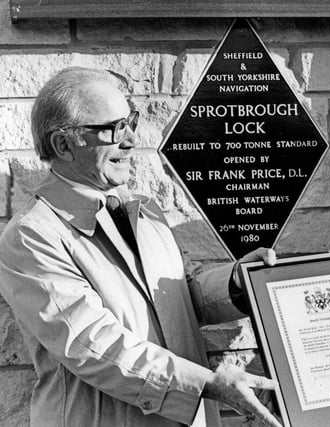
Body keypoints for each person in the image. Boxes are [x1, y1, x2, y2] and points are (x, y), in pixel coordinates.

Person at [0, 67, 282, 427]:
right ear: (63, 145)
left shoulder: (142, 209)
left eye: (131, 121)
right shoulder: (32, 236)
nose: (131, 139)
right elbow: (95, 346)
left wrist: (236, 284)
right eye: (115, 128)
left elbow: (179, 297)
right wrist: (208, 384)